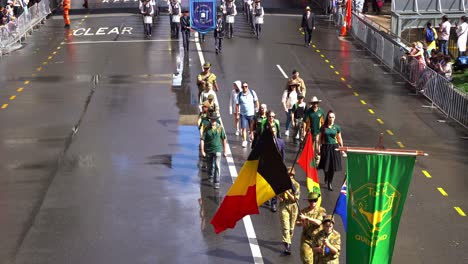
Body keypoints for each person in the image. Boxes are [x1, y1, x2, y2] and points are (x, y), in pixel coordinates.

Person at [297, 191, 327, 264]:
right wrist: (302, 223)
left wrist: (306, 218)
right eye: (311, 200)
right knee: (307, 260)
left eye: (315, 200)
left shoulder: (321, 210)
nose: (313, 202)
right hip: (306, 239)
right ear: (308, 201)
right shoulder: (303, 211)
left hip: (318, 240)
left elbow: (318, 222)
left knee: (318, 261)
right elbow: (297, 223)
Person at [317, 111, 344, 191]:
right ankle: (326, 175)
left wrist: (341, 148)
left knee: (332, 167)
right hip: (325, 147)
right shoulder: (323, 127)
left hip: (334, 147)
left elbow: (339, 138)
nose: (331, 119)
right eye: (330, 117)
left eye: (332, 117)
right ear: (327, 118)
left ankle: (329, 182)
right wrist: (318, 147)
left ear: (334, 118)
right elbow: (319, 138)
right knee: (326, 166)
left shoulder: (337, 127)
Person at [200, 113, 227, 189]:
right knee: (209, 166)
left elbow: (224, 139)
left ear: (216, 120)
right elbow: (202, 139)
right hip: (208, 150)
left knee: (217, 165)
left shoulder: (220, 128)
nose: (213, 121)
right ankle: (210, 175)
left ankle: (216, 181)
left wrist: (225, 150)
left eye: (214, 119)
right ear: (210, 120)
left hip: (218, 149)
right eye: (212, 119)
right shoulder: (206, 128)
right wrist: (202, 151)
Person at [278, 166, 301, 255]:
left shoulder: (296, 185)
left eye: (292, 174)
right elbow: (278, 194)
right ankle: (287, 245)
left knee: (291, 228)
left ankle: (288, 239)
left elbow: (294, 199)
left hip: (293, 206)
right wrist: (279, 197)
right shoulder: (282, 183)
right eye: (289, 174)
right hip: (284, 206)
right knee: (285, 226)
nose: (290, 176)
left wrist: (287, 191)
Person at [235, 82, 259, 148]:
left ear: (248, 86)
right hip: (243, 114)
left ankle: (251, 137)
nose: (245, 88)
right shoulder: (240, 95)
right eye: (243, 87)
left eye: (246, 86)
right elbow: (237, 105)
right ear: (241, 87)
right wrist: (237, 114)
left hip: (251, 114)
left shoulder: (252, 92)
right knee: (243, 128)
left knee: (251, 128)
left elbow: (256, 101)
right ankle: (244, 141)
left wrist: (257, 109)